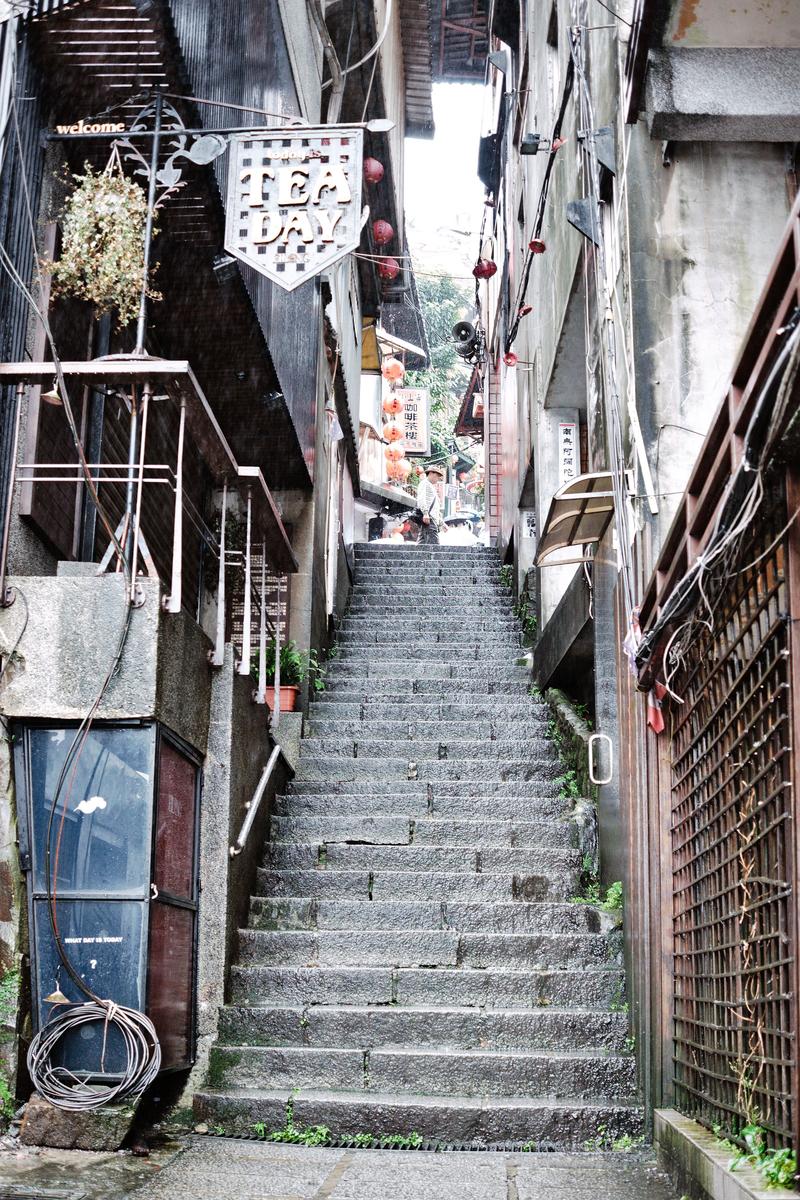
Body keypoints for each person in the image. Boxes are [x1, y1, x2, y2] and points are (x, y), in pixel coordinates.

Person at [414, 463, 444, 545]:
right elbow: (421, 498)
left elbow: (435, 507)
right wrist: (425, 513)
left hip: (431, 518)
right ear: (431, 473)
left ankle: (416, 557)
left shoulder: (430, 485)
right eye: (437, 476)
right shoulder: (425, 483)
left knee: (422, 542)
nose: (438, 479)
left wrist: (441, 522)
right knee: (434, 543)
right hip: (429, 517)